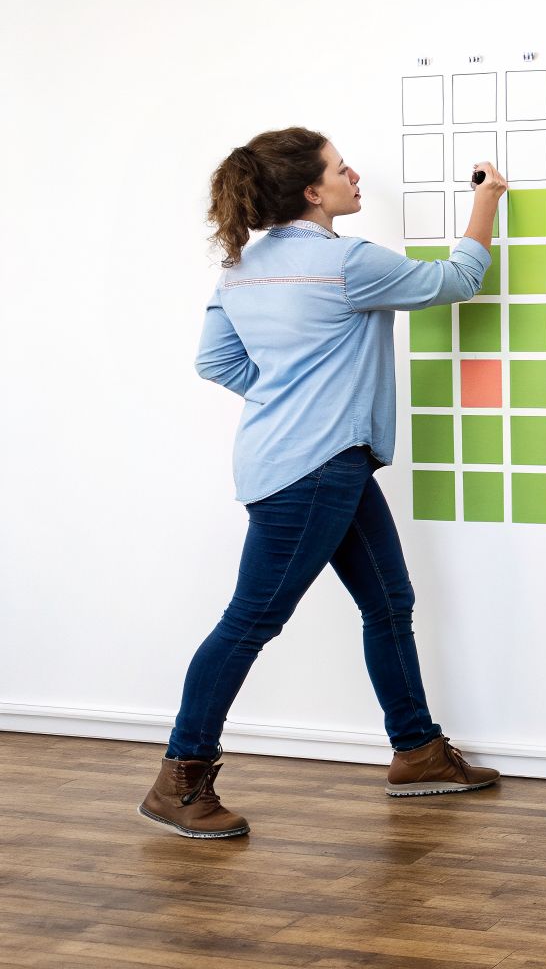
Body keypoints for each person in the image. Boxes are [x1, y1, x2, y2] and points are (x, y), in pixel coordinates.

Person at [139, 127, 507, 839]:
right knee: (250, 622)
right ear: (313, 191)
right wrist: (487, 199)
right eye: (342, 169)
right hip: (315, 472)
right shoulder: (347, 263)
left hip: (305, 461)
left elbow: (216, 363)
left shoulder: (242, 266)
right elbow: (459, 280)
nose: (355, 175)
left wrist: (288, 394)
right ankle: (178, 781)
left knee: (389, 601)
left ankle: (418, 752)